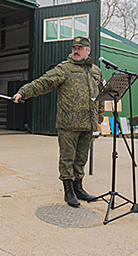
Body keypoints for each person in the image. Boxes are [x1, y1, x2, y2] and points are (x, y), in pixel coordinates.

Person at [13, 36, 105, 208]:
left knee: (81, 159)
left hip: (88, 124)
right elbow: (44, 83)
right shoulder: (64, 68)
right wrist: (23, 92)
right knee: (67, 160)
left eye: (80, 48)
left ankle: (79, 189)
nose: (76, 51)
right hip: (68, 124)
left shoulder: (96, 71)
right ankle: (68, 192)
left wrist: (99, 119)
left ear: (88, 50)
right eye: (74, 48)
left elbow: (100, 97)